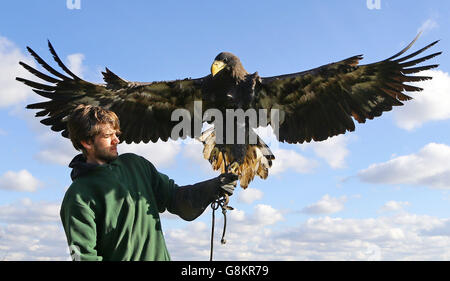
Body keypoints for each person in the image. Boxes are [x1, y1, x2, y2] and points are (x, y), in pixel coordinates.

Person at [60, 104, 237, 261]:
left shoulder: (135, 165)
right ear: (86, 142)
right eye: (108, 136)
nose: (117, 140)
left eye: (116, 134)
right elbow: (83, 256)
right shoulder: (78, 196)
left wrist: (211, 188)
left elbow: (175, 198)